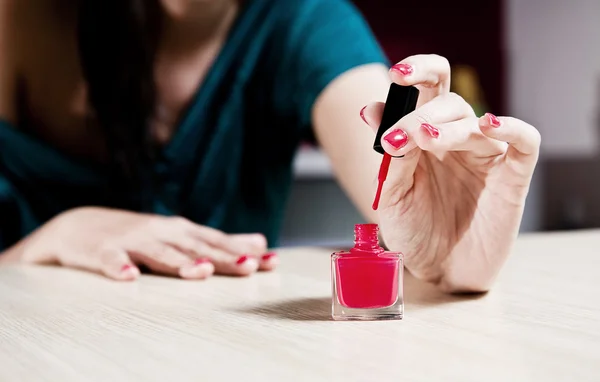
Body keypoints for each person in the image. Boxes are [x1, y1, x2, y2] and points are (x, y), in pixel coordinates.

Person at [0, 0, 540, 293]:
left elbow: (382, 147)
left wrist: (439, 241)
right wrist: (46, 240)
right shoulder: (18, 20)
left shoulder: (305, 20)